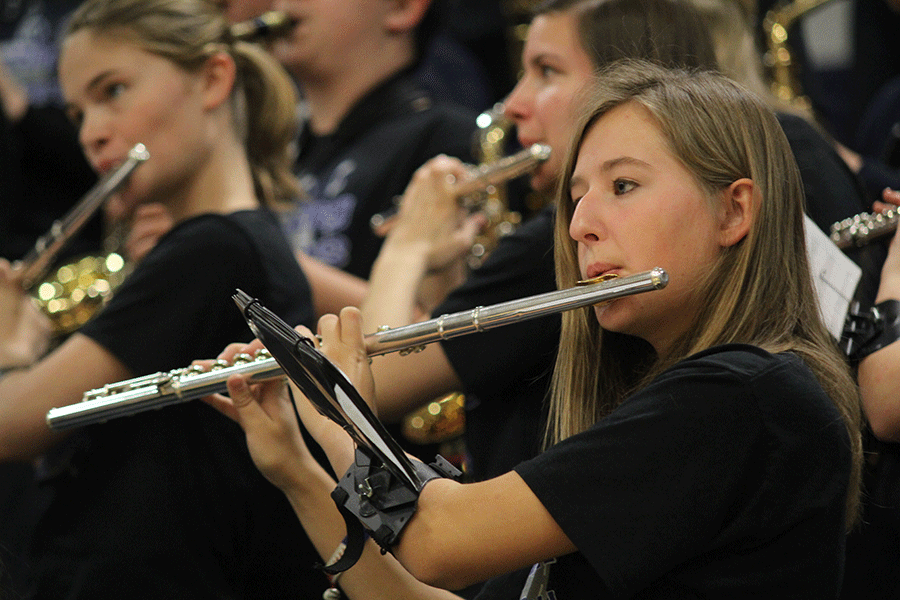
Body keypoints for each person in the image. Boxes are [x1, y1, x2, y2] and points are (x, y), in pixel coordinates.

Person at [209, 60, 865, 599]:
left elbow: (438, 543)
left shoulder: (746, 396)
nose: (581, 224)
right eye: (577, 195)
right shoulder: (701, 400)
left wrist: (337, 412)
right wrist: (296, 465)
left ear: (734, 210)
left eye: (624, 185)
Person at [0, 1, 329, 598]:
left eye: (114, 91)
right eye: (77, 112)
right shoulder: (222, 246)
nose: (91, 132)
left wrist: (11, 345)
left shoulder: (214, 250)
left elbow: (16, 425)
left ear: (212, 79)